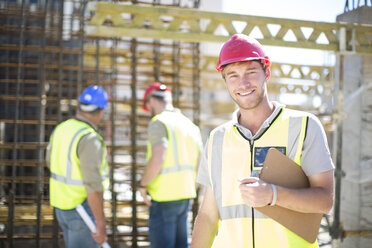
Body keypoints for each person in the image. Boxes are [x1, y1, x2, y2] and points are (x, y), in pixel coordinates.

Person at [191, 34, 335, 248]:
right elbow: (208, 216)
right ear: (225, 80)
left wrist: (273, 194)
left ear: (266, 72)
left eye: (251, 72)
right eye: (233, 75)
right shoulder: (217, 139)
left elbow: (325, 200)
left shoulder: (304, 126)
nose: (243, 83)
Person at [139, 82, 203, 248]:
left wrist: (143, 185)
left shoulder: (159, 122)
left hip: (163, 197)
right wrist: (193, 187)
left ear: (152, 100)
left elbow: (158, 157)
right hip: (185, 195)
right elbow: (201, 161)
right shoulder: (190, 125)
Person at [46, 85, 110, 247]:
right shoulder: (89, 138)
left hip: (62, 207)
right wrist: (100, 223)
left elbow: (50, 162)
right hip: (82, 211)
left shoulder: (61, 129)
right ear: (101, 111)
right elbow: (93, 185)